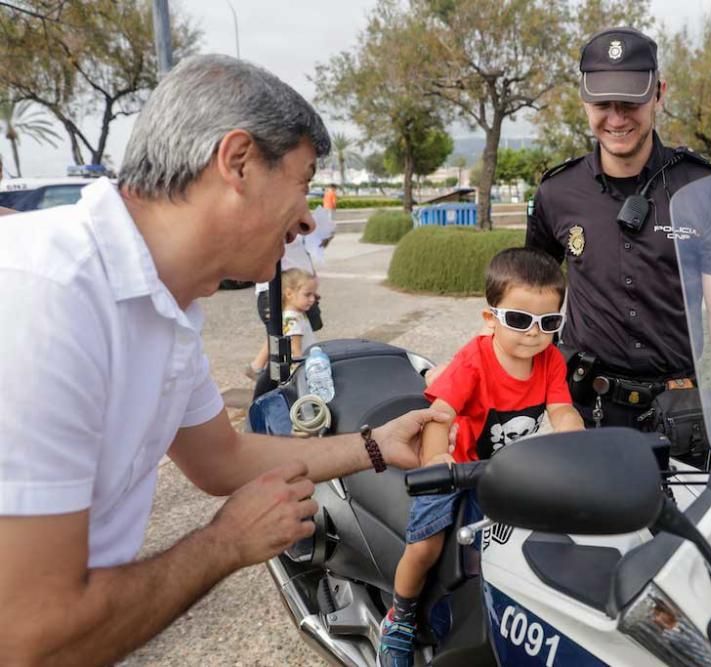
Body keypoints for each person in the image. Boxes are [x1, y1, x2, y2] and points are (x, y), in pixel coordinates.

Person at [0, 54, 449, 665]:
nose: (309, 216)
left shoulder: (166, 305)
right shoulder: (46, 297)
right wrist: (224, 543)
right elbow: (32, 636)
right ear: (237, 162)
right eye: (302, 180)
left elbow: (220, 459)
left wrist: (375, 446)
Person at [525, 27, 711, 448]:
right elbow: (530, 298)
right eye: (602, 103)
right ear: (583, 100)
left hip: (679, 415)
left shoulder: (704, 187)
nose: (616, 117)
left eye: (630, 101)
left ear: (659, 94)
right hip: (580, 412)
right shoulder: (557, 192)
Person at [379, 247, 584, 667]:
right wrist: (438, 459)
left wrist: (575, 442)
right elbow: (440, 414)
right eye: (520, 320)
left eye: (549, 322)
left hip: (504, 472)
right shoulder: (474, 361)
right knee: (425, 545)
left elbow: (561, 409)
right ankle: (399, 617)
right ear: (491, 318)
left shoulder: (549, 360)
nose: (534, 333)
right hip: (459, 467)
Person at [245, 212, 333, 380]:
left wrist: (310, 289)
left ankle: (258, 367)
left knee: (284, 332)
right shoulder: (274, 223)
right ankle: (269, 374)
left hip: (297, 287)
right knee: (284, 334)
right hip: (281, 288)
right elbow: (295, 351)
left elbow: (306, 252)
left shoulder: (298, 226)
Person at [276, 268, 319, 358]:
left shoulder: (298, 314)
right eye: (307, 294)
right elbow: (295, 352)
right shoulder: (292, 320)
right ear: (289, 294)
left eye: (314, 295)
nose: (312, 299)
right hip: (302, 367)